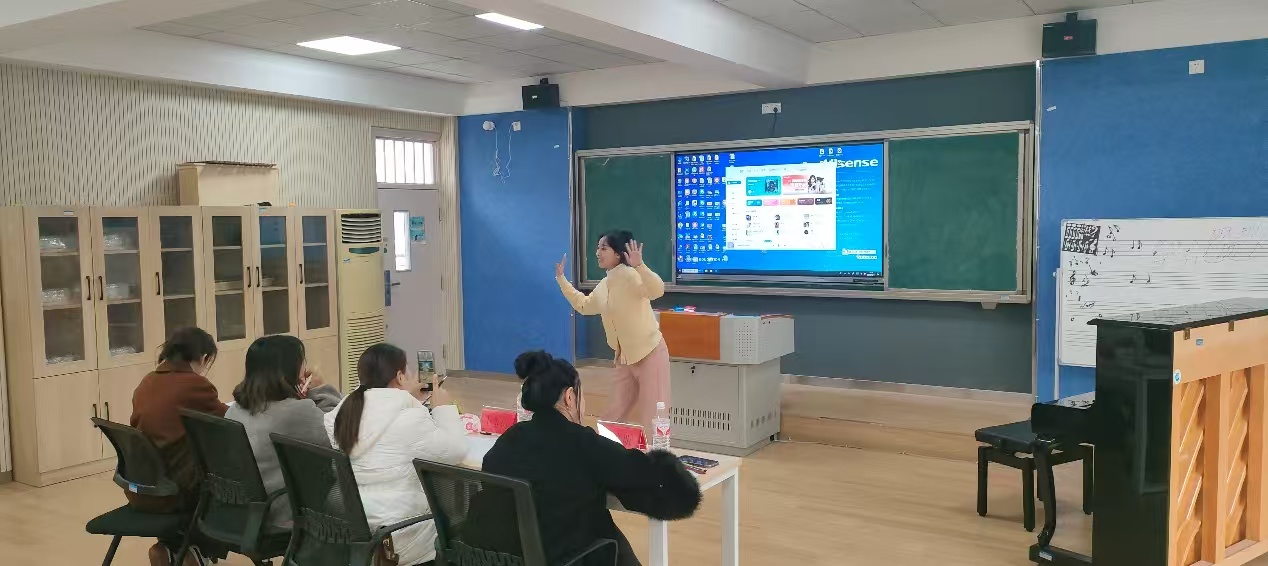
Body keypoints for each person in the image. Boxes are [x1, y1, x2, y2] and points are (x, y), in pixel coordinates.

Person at [474, 351, 701, 566]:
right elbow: (666, 488)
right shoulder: (584, 443)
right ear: (569, 397)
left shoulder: (508, 440)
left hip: (504, 558)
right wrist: (667, 464)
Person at [325, 344, 467, 566]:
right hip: (401, 535)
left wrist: (408, 399)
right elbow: (456, 451)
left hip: (355, 526)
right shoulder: (409, 419)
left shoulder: (342, 415)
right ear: (400, 377)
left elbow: (381, 416)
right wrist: (443, 408)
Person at [128, 326, 226, 566]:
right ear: (203, 358)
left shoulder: (147, 381)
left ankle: (172, 549)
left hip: (139, 488)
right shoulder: (195, 385)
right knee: (226, 477)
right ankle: (193, 550)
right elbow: (228, 421)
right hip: (172, 493)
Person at [556, 230, 669, 435]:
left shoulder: (632, 276)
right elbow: (584, 305)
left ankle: (657, 454)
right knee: (612, 416)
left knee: (654, 417)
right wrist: (561, 279)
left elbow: (657, 290)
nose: (597, 253)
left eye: (604, 248)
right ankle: (605, 451)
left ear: (618, 253)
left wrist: (640, 266)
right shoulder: (605, 284)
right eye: (598, 248)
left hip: (650, 353)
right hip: (624, 358)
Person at [225, 335, 342, 527]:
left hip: (247, 508)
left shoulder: (235, 409)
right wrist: (321, 388)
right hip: (283, 510)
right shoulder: (297, 412)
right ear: (289, 371)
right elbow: (339, 428)